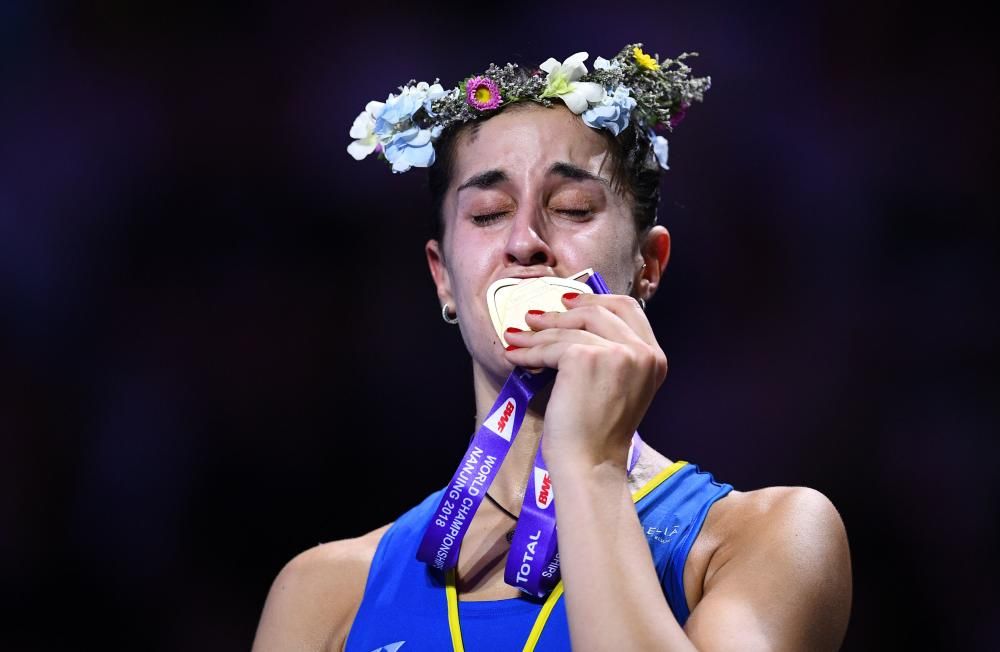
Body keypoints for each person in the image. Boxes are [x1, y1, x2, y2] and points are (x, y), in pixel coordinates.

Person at [252, 44, 852, 651]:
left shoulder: (759, 541)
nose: (525, 242)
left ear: (649, 264)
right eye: (488, 213)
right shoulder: (327, 596)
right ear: (443, 278)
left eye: (571, 207)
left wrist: (589, 466)